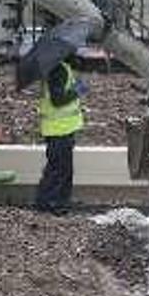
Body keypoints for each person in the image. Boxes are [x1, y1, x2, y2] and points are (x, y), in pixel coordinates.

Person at [36, 58, 84, 213]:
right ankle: (51, 203)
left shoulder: (56, 67)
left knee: (60, 168)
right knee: (59, 170)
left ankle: (56, 202)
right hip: (59, 129)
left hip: (59, 128)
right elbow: (57, 99)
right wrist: (77, 90)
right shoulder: (58, 69)